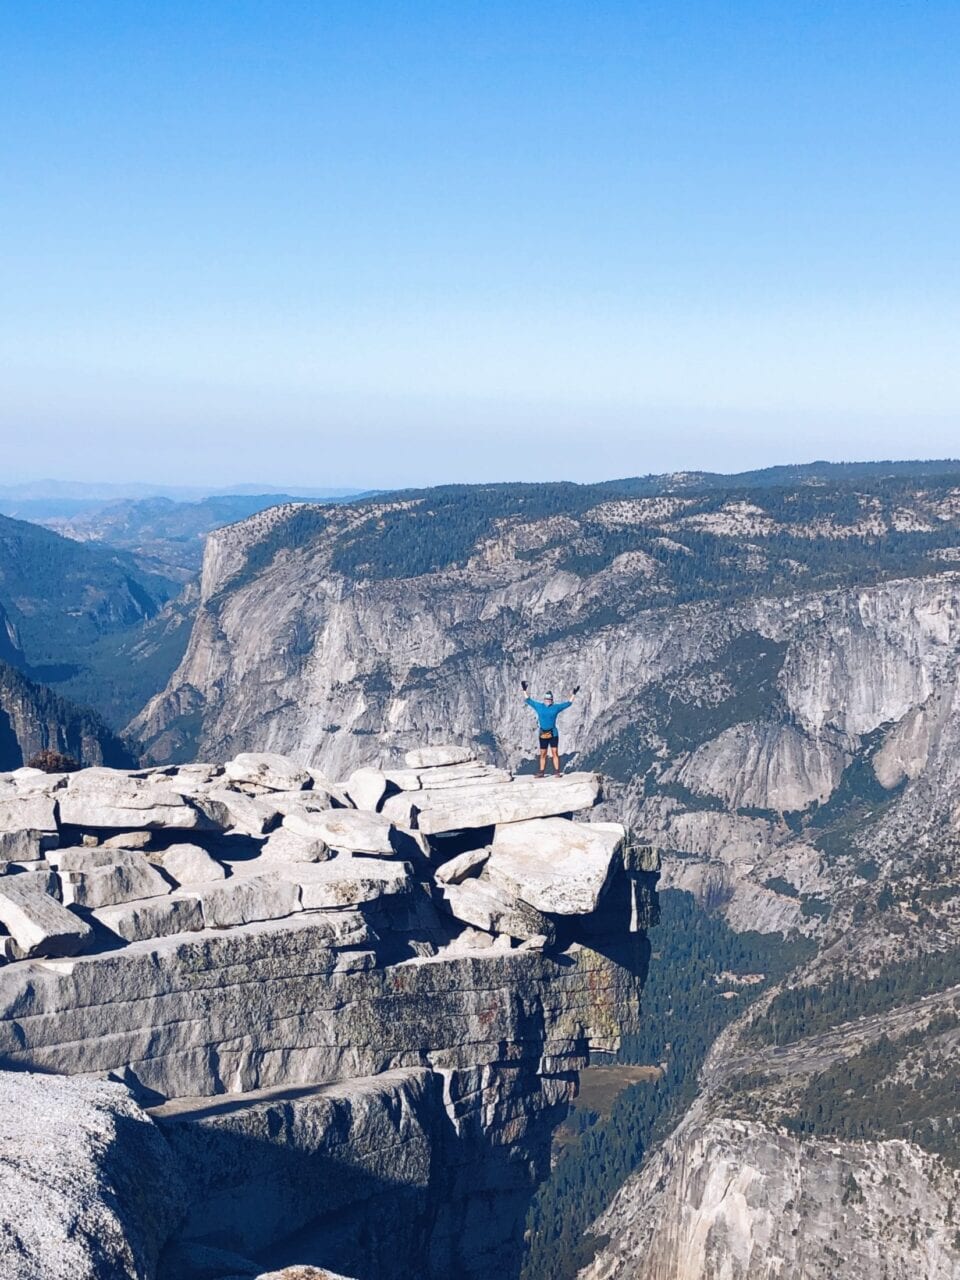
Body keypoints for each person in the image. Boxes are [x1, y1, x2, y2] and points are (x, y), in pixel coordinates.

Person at [521, 680, 579, 776]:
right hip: (543, 733)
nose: (548, 701)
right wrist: (524, 690)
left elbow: (568, 704)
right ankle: (541, 772)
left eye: (549, 700)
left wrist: (574, 694)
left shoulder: (555, 707)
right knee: (543, 753)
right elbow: (528, 700)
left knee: (554, 752)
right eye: (546, 700)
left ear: (552, 700)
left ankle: (557, 772)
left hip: (553, 733)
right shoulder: (539, 706)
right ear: (544, 700)